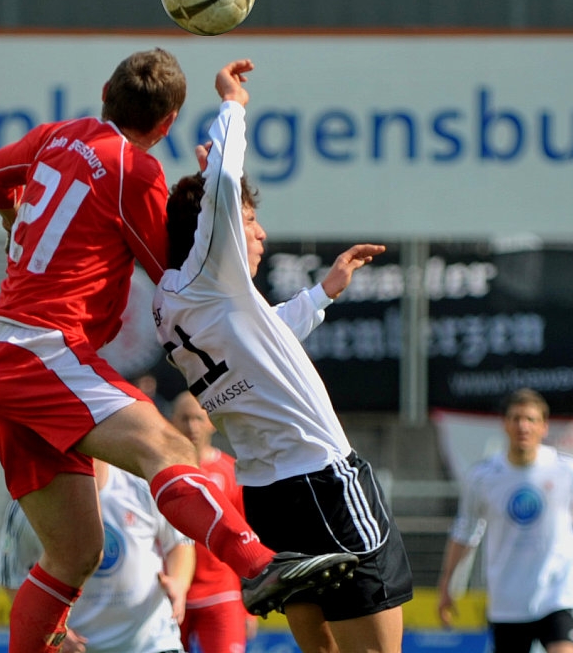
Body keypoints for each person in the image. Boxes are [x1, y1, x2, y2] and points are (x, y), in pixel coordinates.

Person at [0, 48, 358, 653]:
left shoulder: (54, 136)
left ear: (104, 91)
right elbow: (177, 276)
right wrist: (215, 209)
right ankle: (257, 566)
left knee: (74, 555)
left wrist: (15, 218)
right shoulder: (133, 171)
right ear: (168, 122)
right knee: (168, 446)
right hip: (40, 350)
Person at [152, 58, 413, 653]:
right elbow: (220, 182)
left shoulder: (174, 303)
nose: (260, 232)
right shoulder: (210, 275)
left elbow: (261, 341)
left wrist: (322, 293)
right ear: (211, 234)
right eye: (249, 220)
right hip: (322, 478)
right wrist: (231, 104)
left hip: (270, 496)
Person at [437, 387, 573, 653]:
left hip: (558, 596)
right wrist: (446, 585)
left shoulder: (567, 472)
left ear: (544, 427)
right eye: (516, 418)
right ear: (505, 424)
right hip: (506, 602)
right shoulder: (483, 477)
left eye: (531, 419)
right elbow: (465, 532)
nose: (523, 426)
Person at [0, 459, 194, 653]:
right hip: (78, 648)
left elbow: (180, 541)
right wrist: (50, 628)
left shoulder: (140, 484)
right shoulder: (30, 501)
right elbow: (11, 577)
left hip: (153, 643)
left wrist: (179, 581)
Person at [171, 391, 257, 653]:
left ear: (210, 421)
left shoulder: (230, 472)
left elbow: (248, 539)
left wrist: (249, 609)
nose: (192, 427)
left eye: (198, 418)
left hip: (222, 595)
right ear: (172, 422)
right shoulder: (160, 475)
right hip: (173, 596)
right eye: (184, 419)